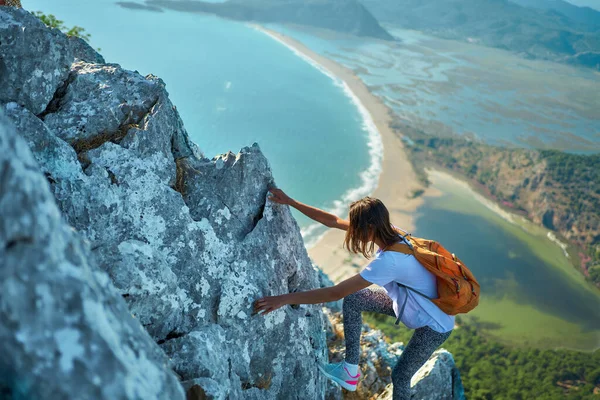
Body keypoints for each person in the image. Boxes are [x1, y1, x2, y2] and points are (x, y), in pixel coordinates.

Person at [254, 188, 454, 400]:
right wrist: (291, 202)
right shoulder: (393, 233)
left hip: (434, 325)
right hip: (414, 305)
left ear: (370, 227)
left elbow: (335, 292)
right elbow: (333, 221)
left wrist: (283, 299)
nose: (354, 233)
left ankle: (351, 371)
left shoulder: (389, 261)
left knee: (401, 375)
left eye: (358, 228)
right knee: (355, 298)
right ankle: (350, 370)